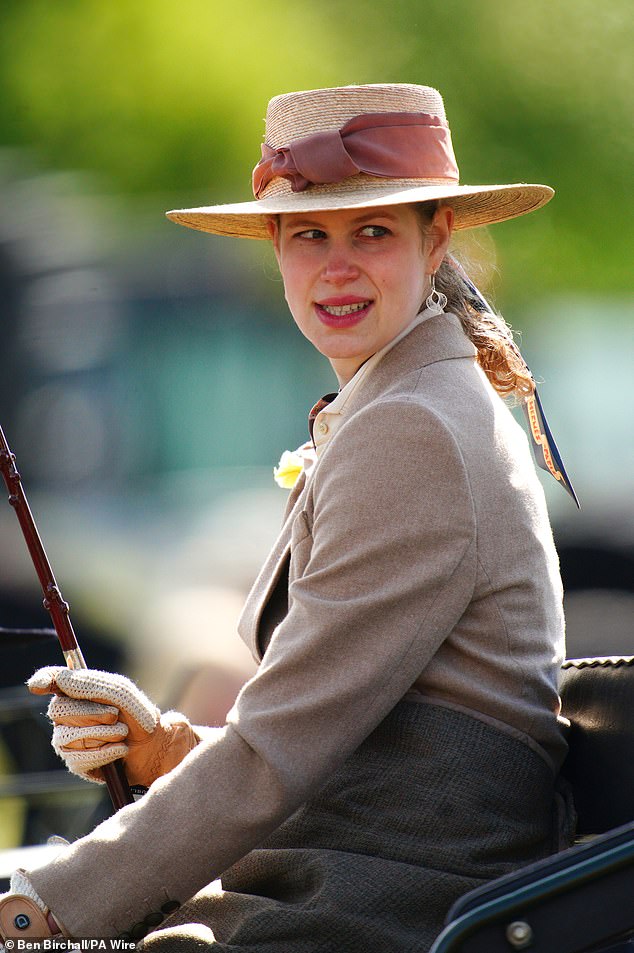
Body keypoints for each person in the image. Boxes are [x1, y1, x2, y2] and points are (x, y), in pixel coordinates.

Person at [0, 83, 575, 951]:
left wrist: (38, 900)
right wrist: (164, 746)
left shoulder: (414, 424)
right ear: (276, 247)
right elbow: (338, 742)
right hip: (342, 875)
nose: (336, 267)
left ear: (438, 239)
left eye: (372, 232)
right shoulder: (406, 399)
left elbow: (280, 757)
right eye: (310, 234)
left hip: (381, 907)